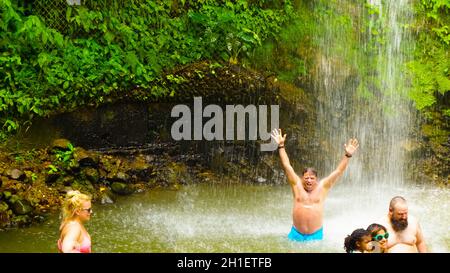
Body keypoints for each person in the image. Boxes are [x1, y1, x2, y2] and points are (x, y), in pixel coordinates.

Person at [271, 128, 359, 241]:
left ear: (316, 180)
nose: (309, 180)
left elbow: (338, 171)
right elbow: (287, 166)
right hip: (296, 233)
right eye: (306, 178)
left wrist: (347, 155)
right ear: (302, 178)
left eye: (312, 178)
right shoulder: (296, 186)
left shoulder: (323, 187)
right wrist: (281, 146)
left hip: (316, 235)